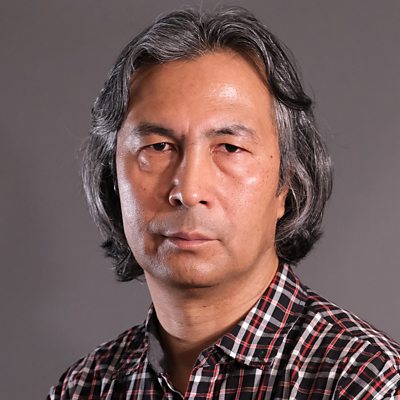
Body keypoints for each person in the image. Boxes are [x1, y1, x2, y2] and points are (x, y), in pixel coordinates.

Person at [48, 6, 400, 399]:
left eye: (230, 147)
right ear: (112, 178)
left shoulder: (366, 381)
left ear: (286, 183)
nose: (188, 190)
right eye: (158, 147)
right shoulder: (84, 387)